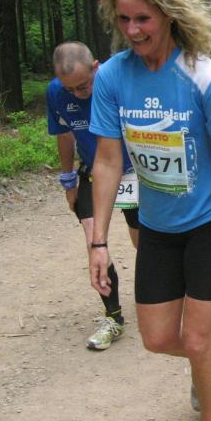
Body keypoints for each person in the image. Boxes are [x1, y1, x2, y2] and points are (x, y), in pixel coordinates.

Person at [90, 0, 211, 421]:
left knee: (195, 340)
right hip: (156, 227)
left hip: (207, 226)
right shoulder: (113, 77)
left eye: (143, 18)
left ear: (168, 14)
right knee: (158, 339)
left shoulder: (204, 77)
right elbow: (108, 162)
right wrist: (98, 242)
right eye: (123, 19)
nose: (132, 30)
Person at [47, 41, 139, 351]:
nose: (77, 93)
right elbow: (64, 136)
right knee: (94, 241)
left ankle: (162, 296)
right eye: (69, 88)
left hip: (133, 173)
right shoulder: (56, 93)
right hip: (91, 172)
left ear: (96, 67)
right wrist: (68, 180)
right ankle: (113, 318)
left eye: (83, 85)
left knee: (143, 241)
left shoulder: (118, 84)